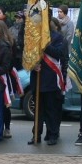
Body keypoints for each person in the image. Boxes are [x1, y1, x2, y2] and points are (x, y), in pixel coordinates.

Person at [29, 18, 65, 146]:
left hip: (50, 79)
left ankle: (52, 134)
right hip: (37, 78)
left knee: (51, 110)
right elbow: (27, 55)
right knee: (38, 110)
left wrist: (45, 45)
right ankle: (36, 135)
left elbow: (59, 53)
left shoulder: (57, 37)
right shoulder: (33, 37)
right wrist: (32, 65)